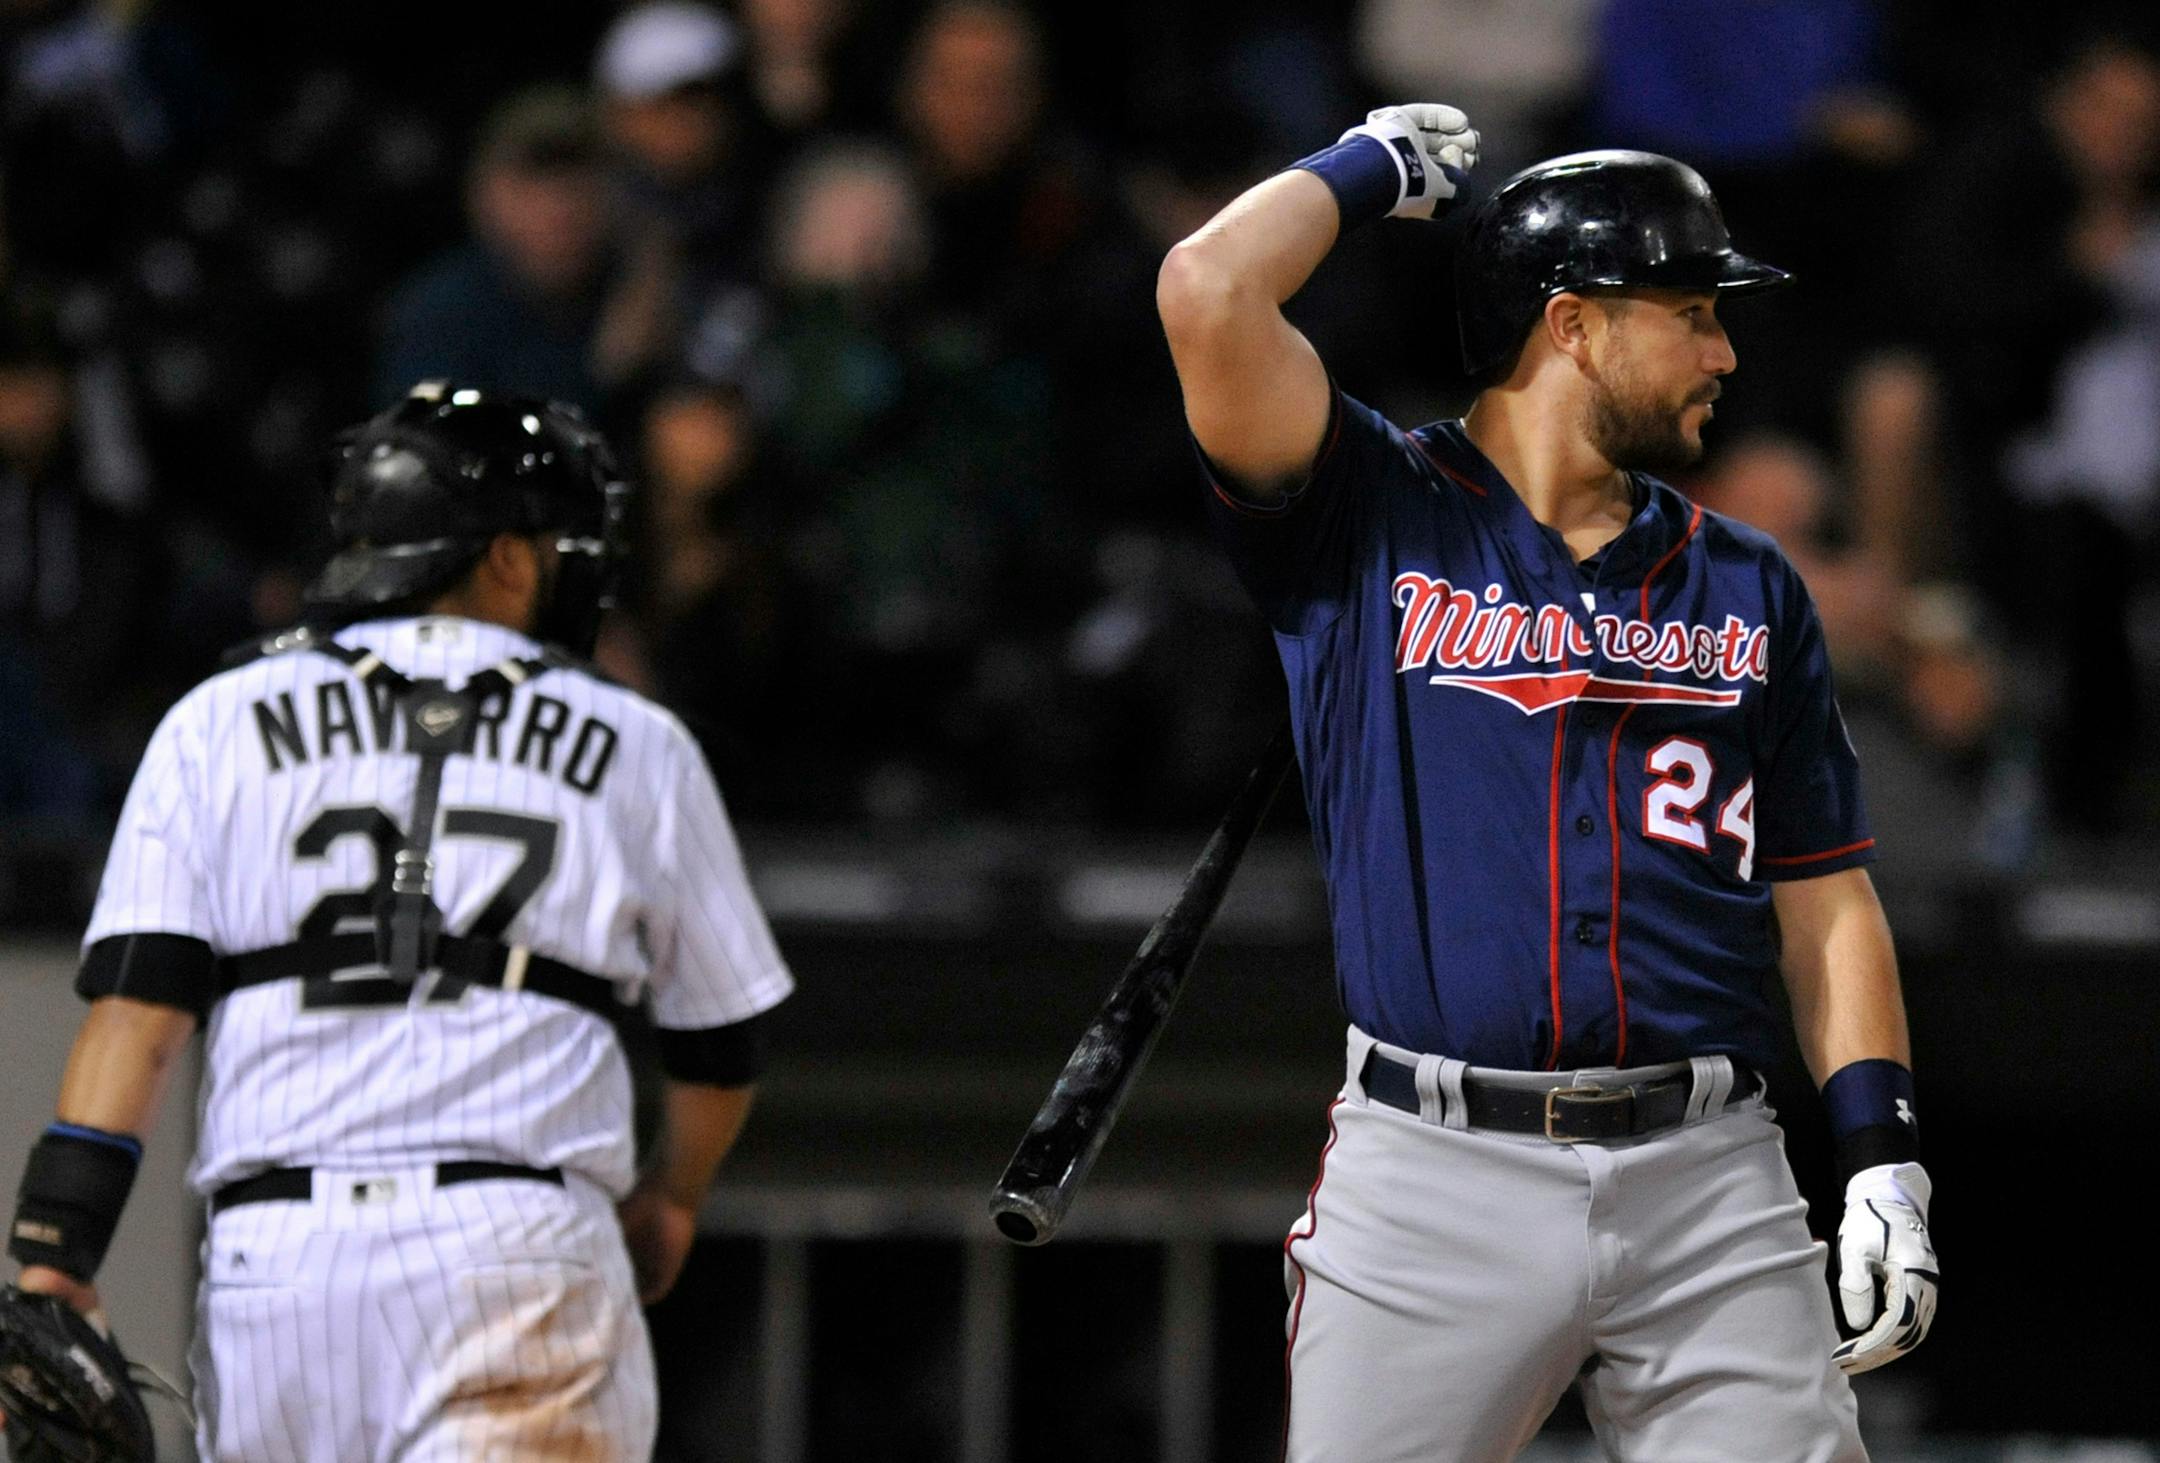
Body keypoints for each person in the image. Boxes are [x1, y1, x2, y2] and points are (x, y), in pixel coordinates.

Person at [1156, 105, 1937, 1460]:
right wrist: (1367, 170)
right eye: (1691, 312)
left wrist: (1881, 1148)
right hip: (1435, 1170)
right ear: (1572, 324)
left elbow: (1825, 895)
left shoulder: (1750, 582)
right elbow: (1207, 288)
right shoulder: (1367, 510)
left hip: (1710, 1169)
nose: (1724, 352)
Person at [4, 382, 793, 1459]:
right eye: (558, 545)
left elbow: (137, 1015)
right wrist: (674, 1196)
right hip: (518, 1249)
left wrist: (56, 1244)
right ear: (506, 558)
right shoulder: (634, 737)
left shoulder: (216, 716)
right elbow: (723, 1040)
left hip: (277, 1265)